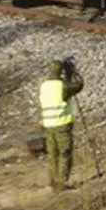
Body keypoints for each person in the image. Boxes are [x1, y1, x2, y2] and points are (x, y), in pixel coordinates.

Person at [39, 59, 84, 191]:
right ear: (60, 72)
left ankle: (52, 181)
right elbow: (79, 85)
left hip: (48, 125)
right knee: (65, 153)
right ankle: (61, 182)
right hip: (61, 126)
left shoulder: (44, 86)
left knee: (52, 153)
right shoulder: (62, 86)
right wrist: (73, 73)